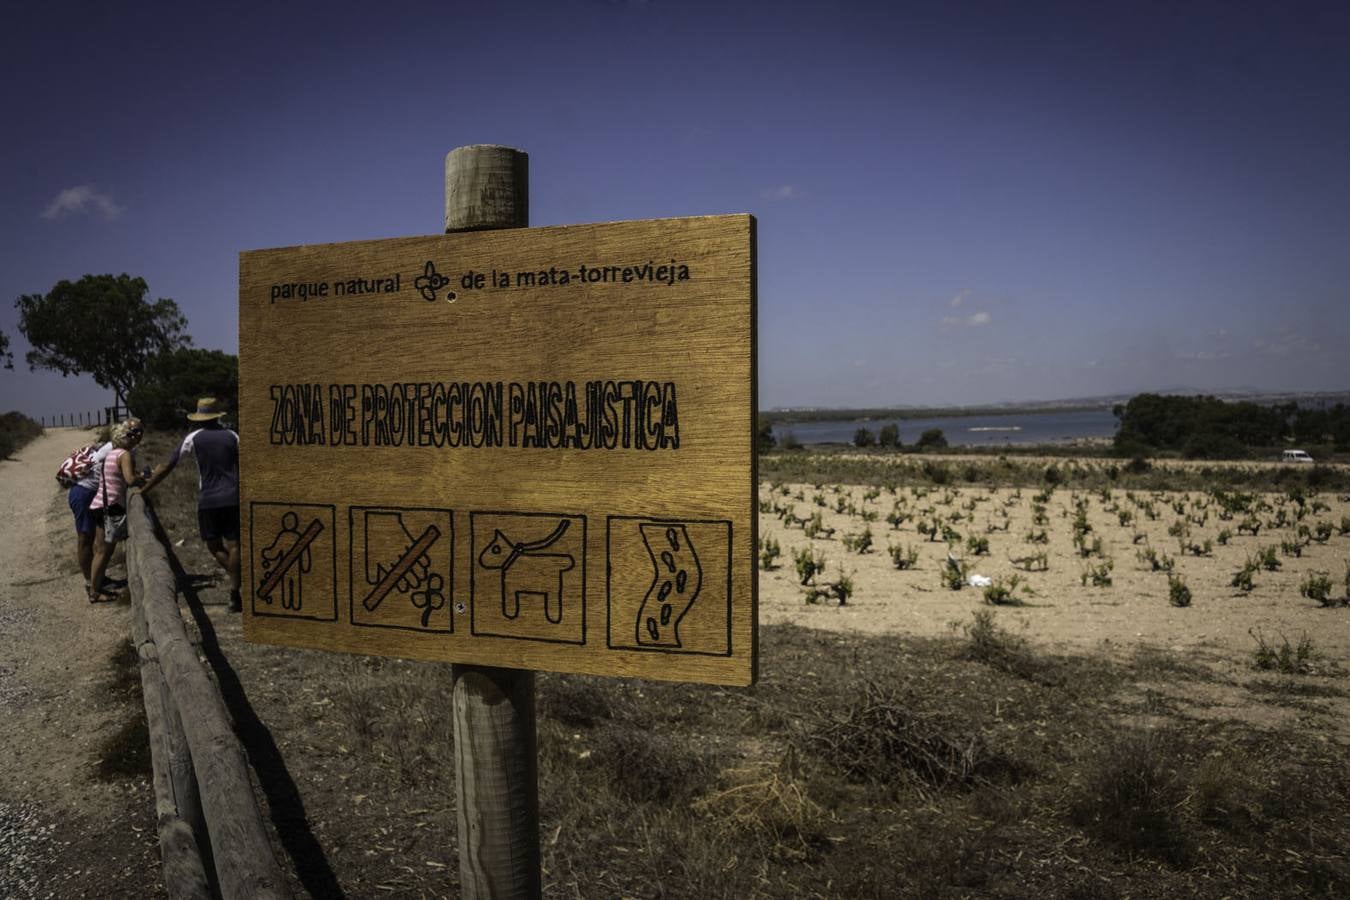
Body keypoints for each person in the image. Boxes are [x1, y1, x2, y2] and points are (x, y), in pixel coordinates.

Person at [140, 397, 242, 611]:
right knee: (235, 546)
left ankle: (236, 581)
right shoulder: (233, 436)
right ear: (217, 416)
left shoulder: (193, 438)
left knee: (214, 546)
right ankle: (235, 587)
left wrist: (145, 489)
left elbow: (168, 465)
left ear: (199, 417)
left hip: (208, 499)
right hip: (233, 497)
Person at [88, 418, 146, 602]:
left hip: (99, 504)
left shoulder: (112, 453)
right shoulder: (124, 455)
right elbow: (129, 480)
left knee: (99, 550)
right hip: (111, 506)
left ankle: (93, 588)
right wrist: (142, 477)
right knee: (104, 551)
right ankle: (95, 592)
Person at [68, 432, 113, 598]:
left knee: (91, 537)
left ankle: (95, 577)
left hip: (87, 493)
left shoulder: (110, 447)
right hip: (83, 494)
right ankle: (89, 582)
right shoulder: (111, 448)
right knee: (85, 538)